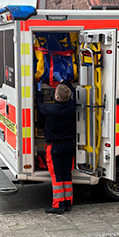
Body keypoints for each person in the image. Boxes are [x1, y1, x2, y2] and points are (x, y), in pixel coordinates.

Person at [38, 82, 76, 214]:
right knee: (67, 175)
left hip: (54, 147)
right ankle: (67, 203)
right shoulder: (71, 106)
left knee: (57, 176)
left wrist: (38, 89)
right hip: (69, 146)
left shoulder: (49, 108)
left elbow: (39, 105)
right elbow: (71, 92)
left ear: (57, 97)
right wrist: (63, 83)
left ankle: (57, 205)